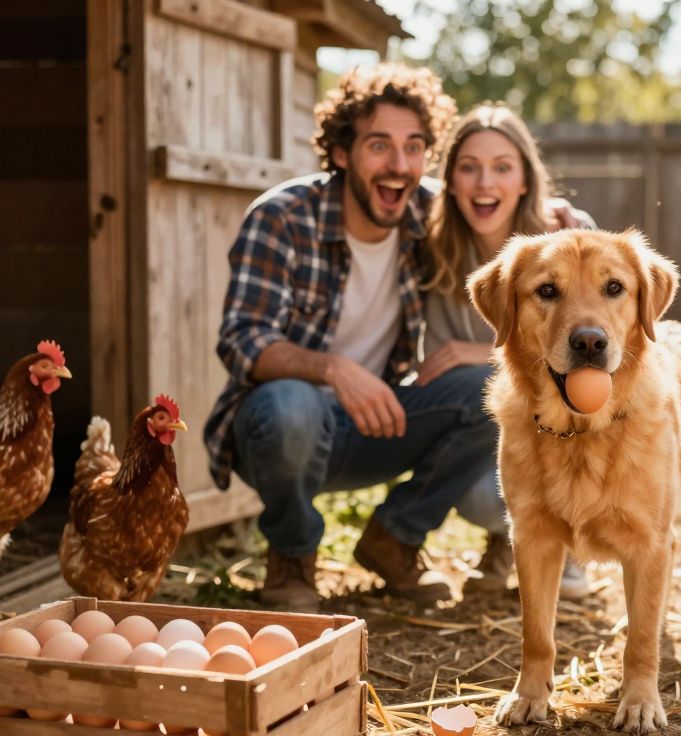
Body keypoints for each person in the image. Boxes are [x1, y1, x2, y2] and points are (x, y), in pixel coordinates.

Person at [203, 64, 493, 612]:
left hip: (378, 422)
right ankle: (291, 556)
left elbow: (513, 216)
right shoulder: (283, 217)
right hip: (279, 430)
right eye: (379, 145)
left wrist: (566, 215)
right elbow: (241, 341)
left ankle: (394, 539)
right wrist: (334, 370)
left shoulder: (430, 214)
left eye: (414, 147)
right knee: (292, 403)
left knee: (488, 387)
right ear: (340, 152)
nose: (399, 165)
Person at [418, 103, 592, 599]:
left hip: (559, 415)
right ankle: (509, 539)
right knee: (479, 494)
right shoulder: (433, 245)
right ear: (449, 180)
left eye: (501, 167)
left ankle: (573, 546)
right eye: (468, 168)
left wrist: (475, 353)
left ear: (525, 180)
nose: (484, 183)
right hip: (477, 424)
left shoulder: (570, 234)